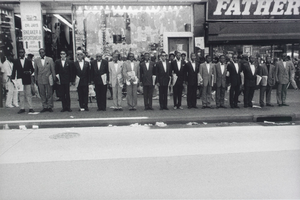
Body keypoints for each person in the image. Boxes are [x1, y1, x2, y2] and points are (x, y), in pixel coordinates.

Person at [11, 48, 34, 114]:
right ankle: (22, 108)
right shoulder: (16, 61)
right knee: (21, 94)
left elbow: (32, 69)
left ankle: (30, 107)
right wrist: (13, 79)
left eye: (22, 52)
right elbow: (14, 70)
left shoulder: (28, 61)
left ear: (24, 53)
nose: (21, 53)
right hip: (19, 79)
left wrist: (29, 72)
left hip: (27, 78)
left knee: (28, 94)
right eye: (20, 52)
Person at [34, 48, 56, 112]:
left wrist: (54, 78)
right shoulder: (36, 60)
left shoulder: (50, 59)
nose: (41, 54)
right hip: (40, 78)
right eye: (40, 53)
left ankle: (50, 106)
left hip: (48, 78)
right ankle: (44, 106)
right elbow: (35, 70)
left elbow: (52, 69)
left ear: (45, 52)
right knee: (42, 93)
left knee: (49, 92)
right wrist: (36, 79)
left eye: (43, 52)